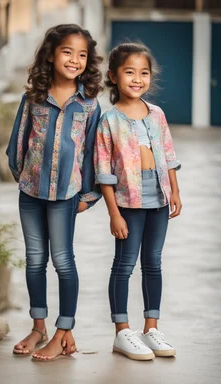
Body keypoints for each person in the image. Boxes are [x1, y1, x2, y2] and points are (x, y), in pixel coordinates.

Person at [6, 24, 103, 361]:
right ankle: (39, 327)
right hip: (30, 193)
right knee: (35, 260)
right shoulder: (33, 98)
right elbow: (18, 143)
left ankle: (63, 330)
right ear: (50, 54)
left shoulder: (89, 105)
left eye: (82, 54)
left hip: (66, 196)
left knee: (63, 261)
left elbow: (92, 153)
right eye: (67, 51)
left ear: (87, 61)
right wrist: (24, 176)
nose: (74, 59)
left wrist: (87, 195)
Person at [94, 42, 182, 361]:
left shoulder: (156, 114)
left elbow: (169, 154)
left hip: (158, 199)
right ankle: (122, 331)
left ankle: (151, 327)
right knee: (124, 265)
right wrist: (113, 214)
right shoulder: (109, 120)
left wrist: (175, 190)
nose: (137, 78)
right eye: (129, 72)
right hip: (127, 204)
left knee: (153, 263)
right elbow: (104, 172)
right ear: (113, 76)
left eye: (143, 73)